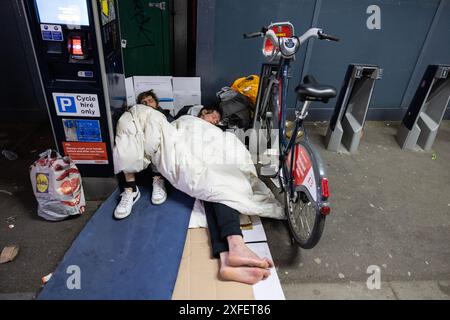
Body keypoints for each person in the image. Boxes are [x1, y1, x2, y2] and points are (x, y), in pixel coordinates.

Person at [114, 90, 222, 219]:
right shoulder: (137, 111)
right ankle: (130, 189)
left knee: (157, 140)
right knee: (126, 135)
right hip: (136, 129)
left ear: (157, 103)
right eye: (144, 102)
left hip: (153, 145)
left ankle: (157, 179)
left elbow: (174, 133)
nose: (147, 104)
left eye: (150, 101)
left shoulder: (165, 116)